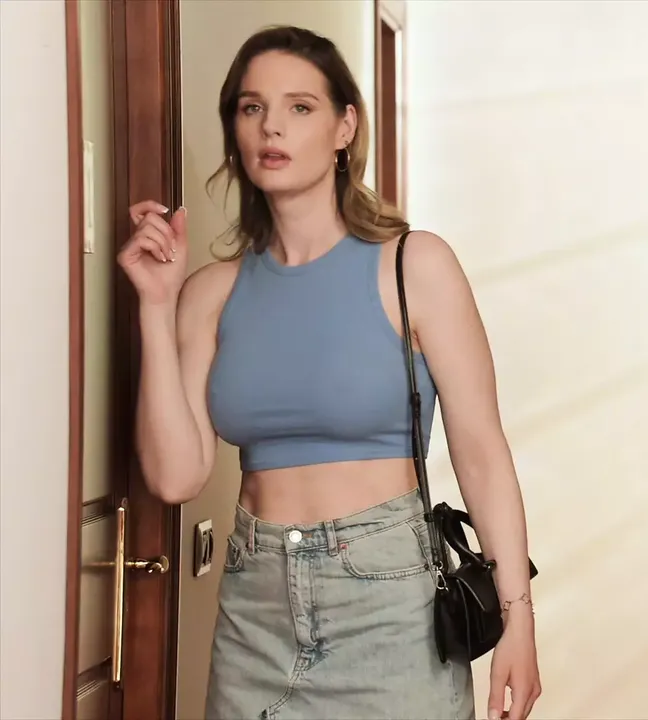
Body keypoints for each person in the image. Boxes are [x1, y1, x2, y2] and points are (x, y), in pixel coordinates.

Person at [118, 25, 540, 720]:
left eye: (300, 106)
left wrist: (518, 618)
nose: (271, 126)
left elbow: (482, 452)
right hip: (254, 610)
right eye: (252, 107)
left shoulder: (414, 266)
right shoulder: (209, 294)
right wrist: (155, 306)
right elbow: (175, 477)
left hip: (391, 602)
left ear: (345, 127)